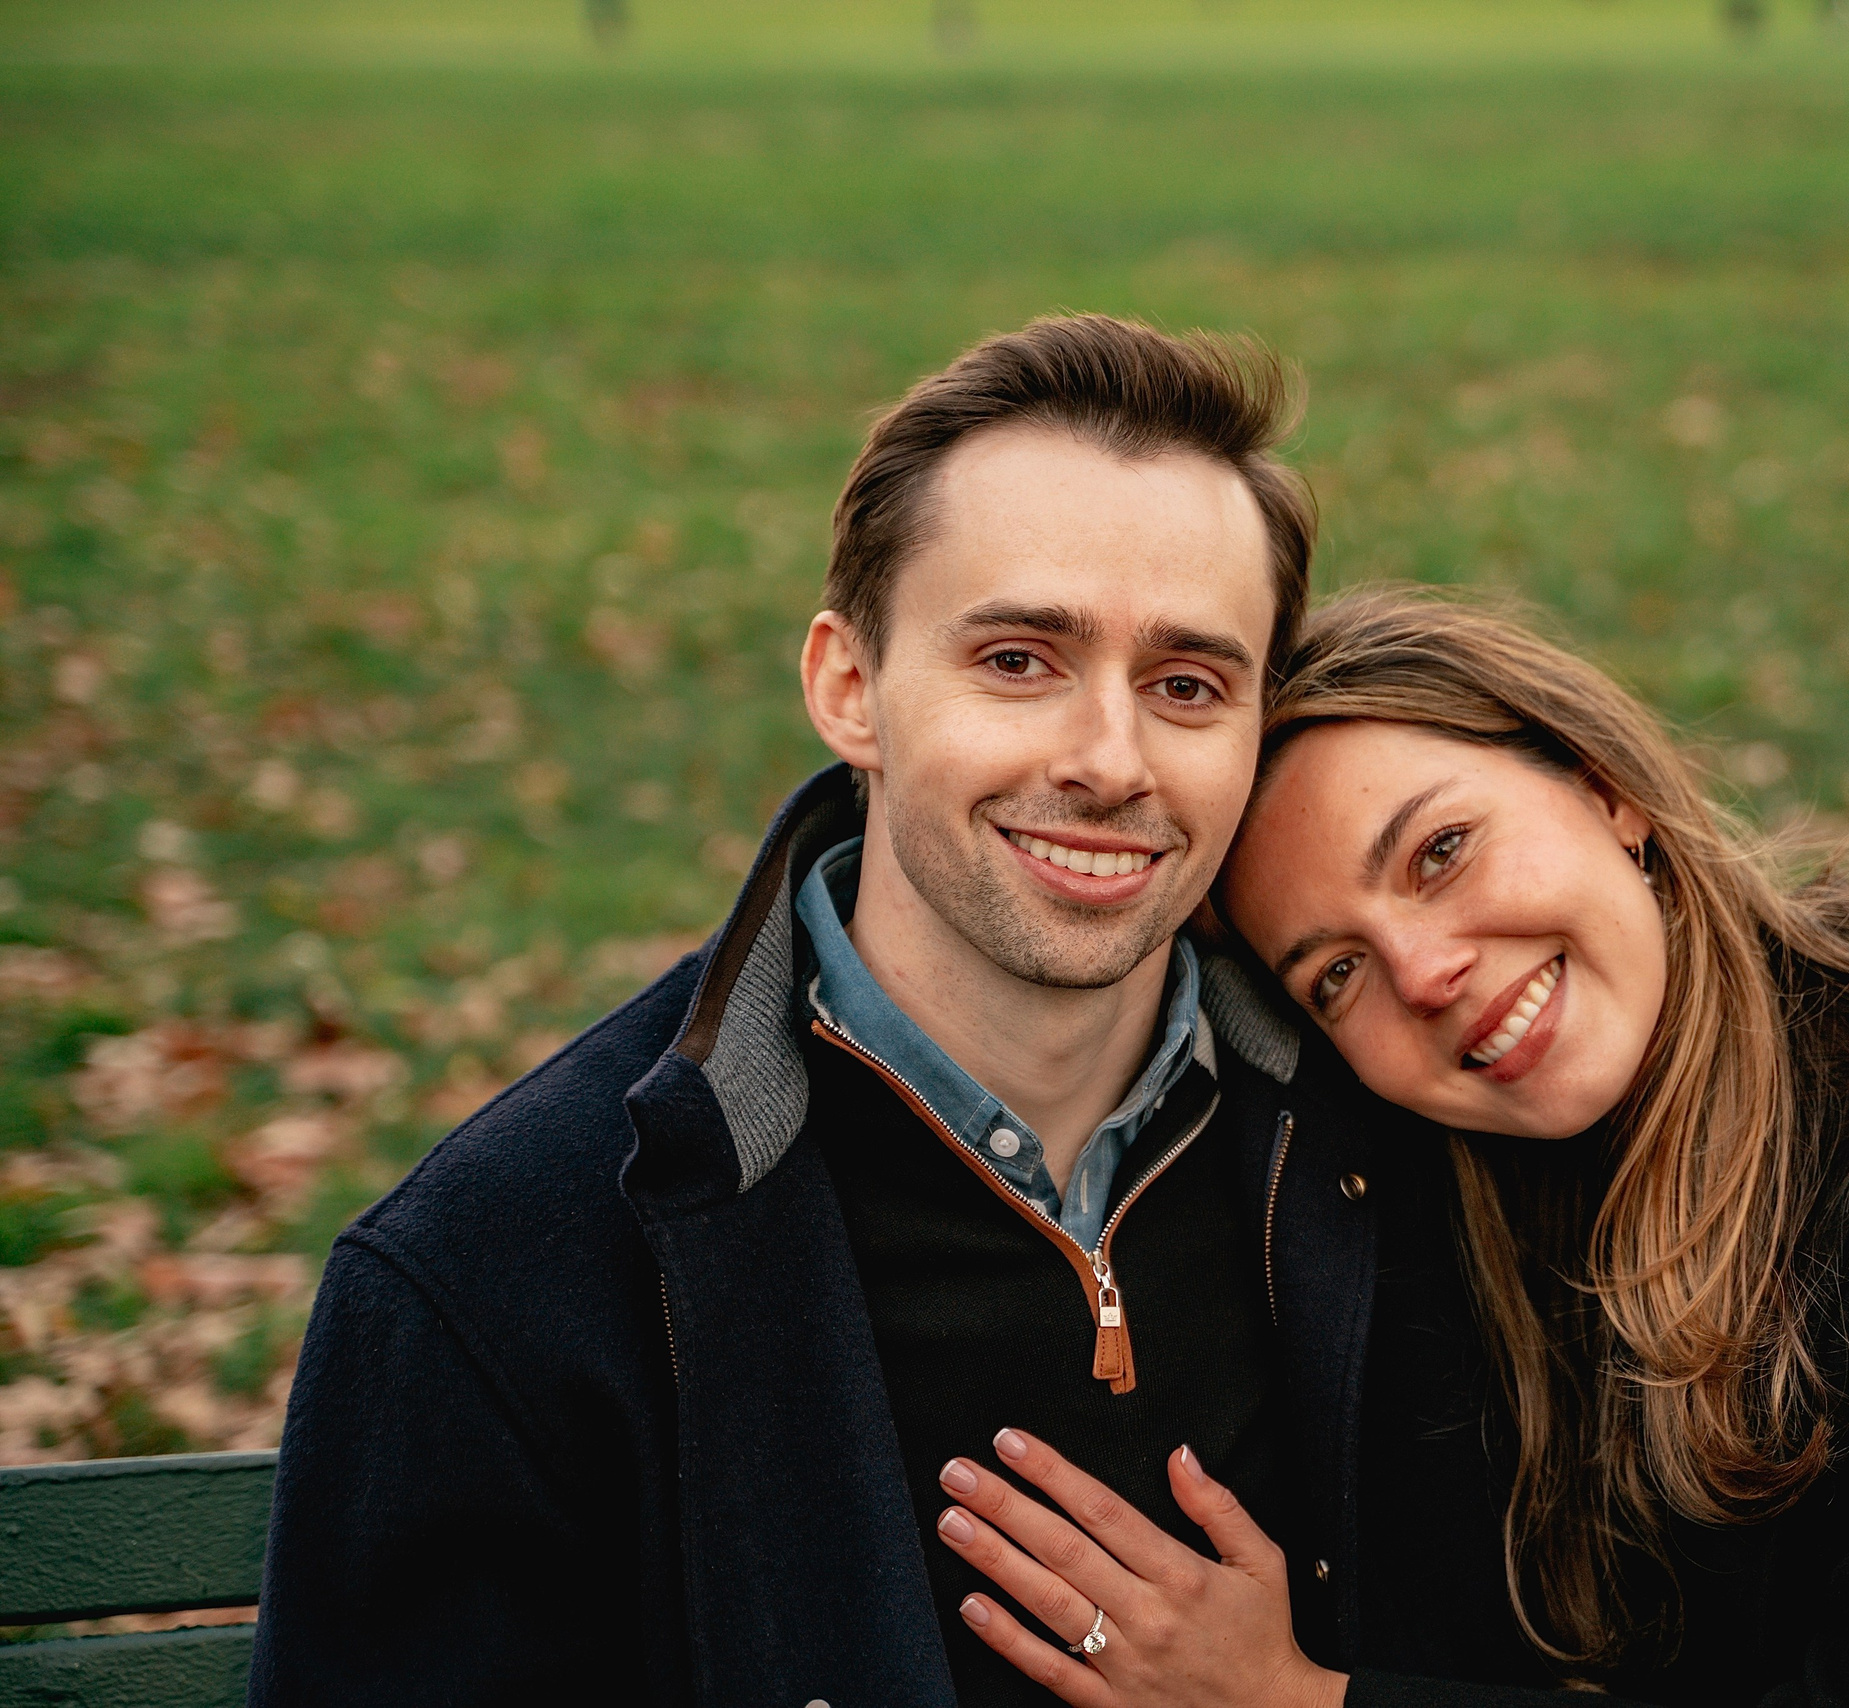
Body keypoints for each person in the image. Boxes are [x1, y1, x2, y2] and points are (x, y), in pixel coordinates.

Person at [926, 589, 1849, 1707]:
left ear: (1605, 786)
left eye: (1439, 852)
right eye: (1335, 975)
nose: (1425, 972)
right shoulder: (1462, 1217)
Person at [249, 315, 1391, 1704]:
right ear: (848, 687)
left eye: (1189, 686)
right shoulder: (504, 1272)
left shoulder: (1369, 1151)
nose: (1111, 760)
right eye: (1019, 661)